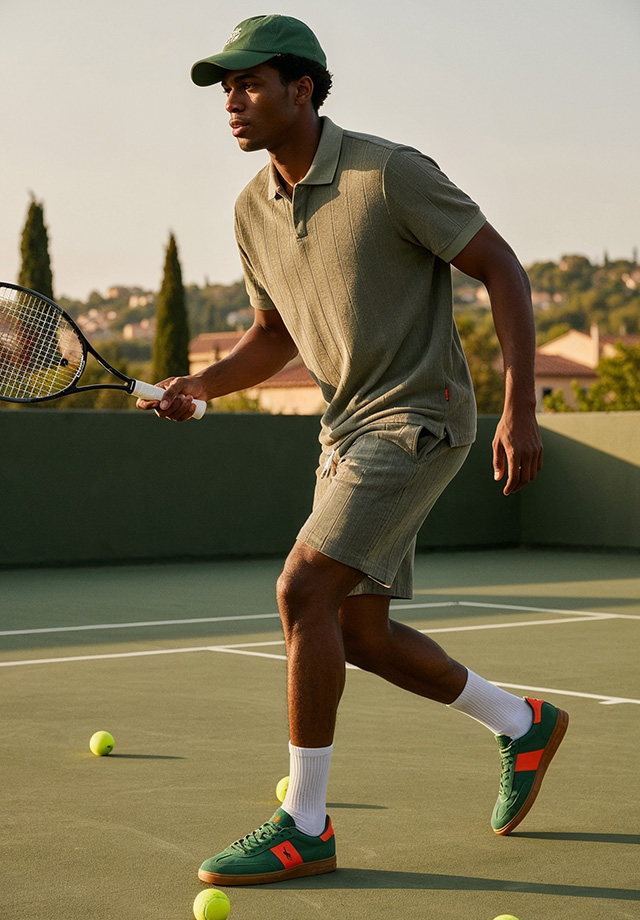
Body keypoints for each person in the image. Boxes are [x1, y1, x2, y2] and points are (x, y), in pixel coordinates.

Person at [137, 14, 568, 886]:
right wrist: (202, 388)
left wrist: (520, 407)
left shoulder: (389, 172)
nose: (233, 100)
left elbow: (504, 269)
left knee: (302, 590)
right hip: (345, 428)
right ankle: (523, 723)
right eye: (225, 87)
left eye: (250, 83)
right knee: (356, 630)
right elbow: (271, 336)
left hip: (420, 415)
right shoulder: (251, 210)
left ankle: (305, 826)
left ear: (303, 89)